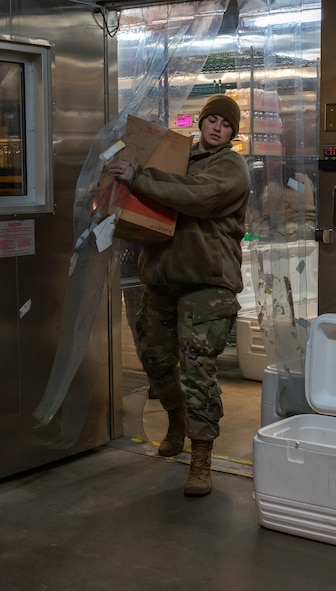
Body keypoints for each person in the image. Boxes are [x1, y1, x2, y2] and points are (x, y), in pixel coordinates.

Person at [110, 94, 251, 497]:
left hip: (206, 283)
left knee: (197, 372)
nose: (217, 128)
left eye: (226, 124)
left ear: (231, 133)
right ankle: (175, 420)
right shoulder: (177, 157)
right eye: (212, 120)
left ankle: (201, 456)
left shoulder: (231, 166)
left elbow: (196, 197)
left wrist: (138, 178)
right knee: (155, 358)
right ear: (202, 123)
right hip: (161, 279)